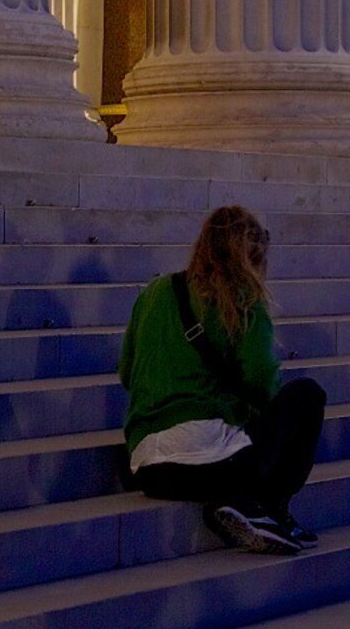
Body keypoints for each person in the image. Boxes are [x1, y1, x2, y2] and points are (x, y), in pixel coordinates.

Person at [119, 205, 330, 556]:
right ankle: (266, 507)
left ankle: (255, 508)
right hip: (216, 466)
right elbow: (263, 381)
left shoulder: (154, 292)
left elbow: (127, 373)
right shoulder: (244, 298)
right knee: (307, 396)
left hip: (147, 466)